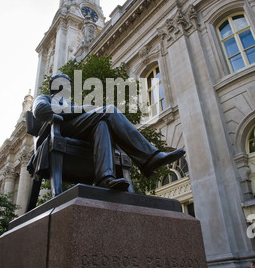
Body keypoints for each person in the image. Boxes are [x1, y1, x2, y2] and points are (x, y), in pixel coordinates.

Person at [32, 74, 185, 191]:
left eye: (69, 84)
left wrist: (82, 109)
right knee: (109, 110)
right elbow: (41, 111)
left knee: (102, 123)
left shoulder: (72, 103)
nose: (69, 87)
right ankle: (149, 158)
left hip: (78, 131)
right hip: (59, 130)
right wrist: (81, 109)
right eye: (64, 84)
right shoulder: (43, 98)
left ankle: (105, 178)